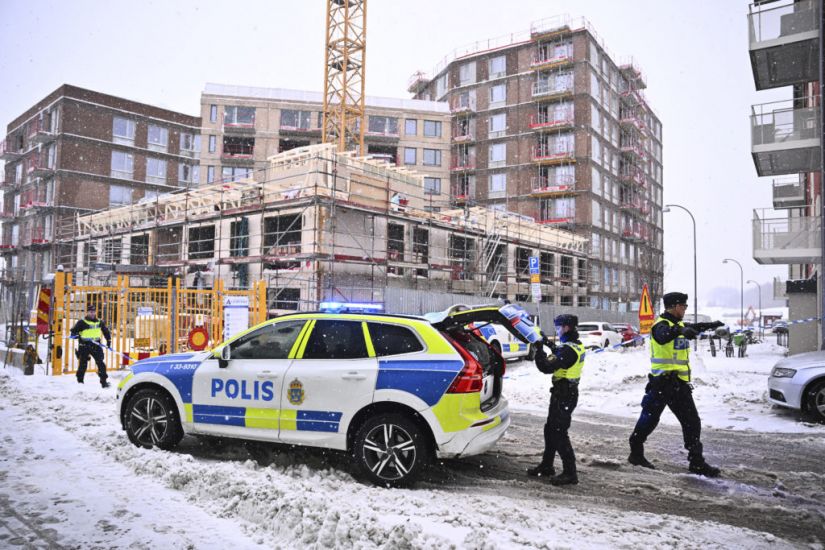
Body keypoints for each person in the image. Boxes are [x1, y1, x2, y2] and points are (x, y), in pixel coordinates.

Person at [628, 292, 724, 477]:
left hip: (678, 385)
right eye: (683, 306)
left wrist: (710, 325)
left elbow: (691, 327)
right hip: (661, 384)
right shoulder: (660, 326)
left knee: (692, 422)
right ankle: (636, 452)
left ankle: (696, 462)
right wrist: (680, 332)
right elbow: (664, 336)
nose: (685, 309)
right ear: (674, 306)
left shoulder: (678, 324)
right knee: (649, 420)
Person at [527, 314, 584, 486]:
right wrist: (547, 343)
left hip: (565, 394)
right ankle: (547, 465)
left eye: (558, 327)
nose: (557, 331)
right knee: (550, 429)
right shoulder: (574, 345)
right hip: (564, 392)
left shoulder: (568, 350)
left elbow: (546, 366)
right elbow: (560, 352)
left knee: (558, 432)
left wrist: (538, 349)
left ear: (566, 327)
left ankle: (570, 473)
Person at [70, 304, 112, 388]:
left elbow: (105, 331)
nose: (92, 314)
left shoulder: (99, 322)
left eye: (93, 312)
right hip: (84, 345)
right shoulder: (82, 322)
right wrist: (76, 335)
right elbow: (73, 332)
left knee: (101, 364)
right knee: (83, 364)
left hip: (96, 345)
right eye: (90, 312)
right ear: (87, 312)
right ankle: (80, 381)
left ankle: (104, 382)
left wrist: (108, 340)